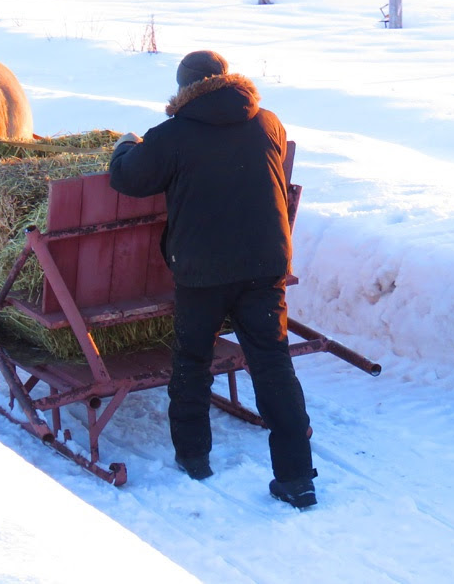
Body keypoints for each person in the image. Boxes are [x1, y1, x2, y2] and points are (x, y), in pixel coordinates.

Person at [108, 50, 317, 509]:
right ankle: (298, 476)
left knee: (193, 359)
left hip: (203, 271)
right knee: (273, 364)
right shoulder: (268, 122)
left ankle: (194, 456)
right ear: (227, 81)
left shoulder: (172, 136)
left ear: (184, 89)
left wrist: (125, 146)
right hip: (265, 266)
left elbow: (128, 178)